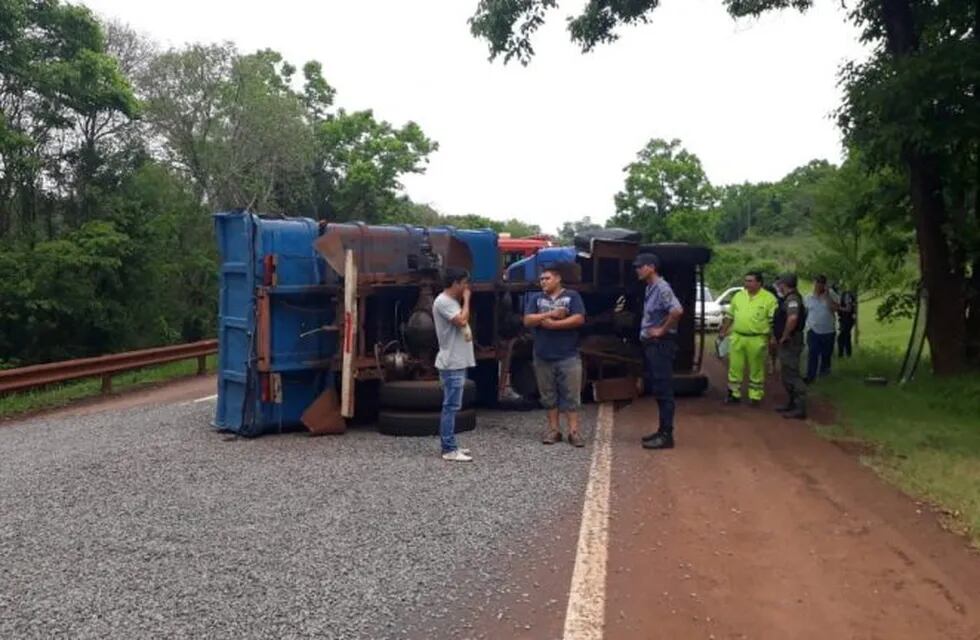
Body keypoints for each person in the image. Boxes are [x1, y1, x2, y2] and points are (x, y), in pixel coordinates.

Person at [524, 266, 587, 447]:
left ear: (558, 278)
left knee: (571, 395)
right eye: (542, 279)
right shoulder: (536, 298)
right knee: (548, 395)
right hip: (543, 354)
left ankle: (573, 431)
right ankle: (554, 430)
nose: (543, 281)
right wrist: (551, 314)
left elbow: (579, 318)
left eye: (547, 278)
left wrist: (553, 325)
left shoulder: (572, 296)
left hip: (568, 354)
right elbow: (528, 320)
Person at [634, 253, 684, 450]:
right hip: (653, 344)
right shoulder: (650, 288)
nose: (637, 270)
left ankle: (666, 435)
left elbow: (677, 311)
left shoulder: (662, 288)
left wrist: (662, 330)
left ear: (651, 267)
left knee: (663, 390)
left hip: (661, 345)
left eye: (640, 266)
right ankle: (662, 431)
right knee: (658, 388)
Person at [432, 268, 476, 462]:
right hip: (451, 362)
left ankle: (451, 443)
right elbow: (462, 320)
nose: (466, 286)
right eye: (464, 282)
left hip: (457, 360)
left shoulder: (449, 302)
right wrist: (467, 300)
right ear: (456, 282)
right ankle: (449, 448)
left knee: (453, 405)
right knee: (450, 406)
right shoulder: (443, 301)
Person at [719, 272, 778, 407]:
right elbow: (730, 315)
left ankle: (755, 396)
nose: (747, 284)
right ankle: (734, 394)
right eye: (746, 281)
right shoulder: (738, 296)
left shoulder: (769, 298)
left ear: (759, 283)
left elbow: (772, 321)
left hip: (757, 338)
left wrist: (772, 337)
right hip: (738, 336)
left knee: (756, 368)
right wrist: (723, 331)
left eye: (750, 281)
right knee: (735, 367)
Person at [773, 273, 807, 420]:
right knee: (787, 373)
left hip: (791, 340)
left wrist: (785, 335)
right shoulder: (788, 298)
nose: (778, 287)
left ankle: (800, 407)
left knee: (792, 372)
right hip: (790, 340)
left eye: (779, 284)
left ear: (784, 284)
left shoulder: (792, 299)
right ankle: (792, 403)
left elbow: (792, 318)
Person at [804, 275, 839, 382]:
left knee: (826, 354)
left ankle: (824, 373)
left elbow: (835, 309)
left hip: (828, 330)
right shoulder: (808, 297)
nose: (818, 285)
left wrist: (827, 296)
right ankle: (810, 376)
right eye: (817, 282)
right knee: (813, 353)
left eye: (821, 283)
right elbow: (805, 312)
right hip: (813, 329)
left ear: (824, 284)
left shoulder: (832, 295)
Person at [837, 288, 857, 358]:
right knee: (846, 337)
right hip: (844, 320)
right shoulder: (844, 297)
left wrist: (838, 307)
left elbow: (848, 309)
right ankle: (848, 354)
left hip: (848, 320)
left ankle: (842, 354)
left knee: (841, 337)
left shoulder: (848, 298)